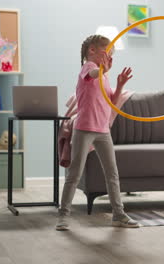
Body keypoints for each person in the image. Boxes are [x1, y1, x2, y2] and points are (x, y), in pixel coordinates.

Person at [56, 35, 139, 230]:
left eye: (111, 55)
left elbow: (112, 101)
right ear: (92, 50)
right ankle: (63, 216)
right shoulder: (88, 68)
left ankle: (118, 215)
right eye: (106, 53)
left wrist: (119, 84)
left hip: (103, 131)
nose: (109, 58)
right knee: (74, 174)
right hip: (84, 129)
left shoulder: (104, 76)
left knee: (112, 174)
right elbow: (92, 73)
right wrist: (101, 69)